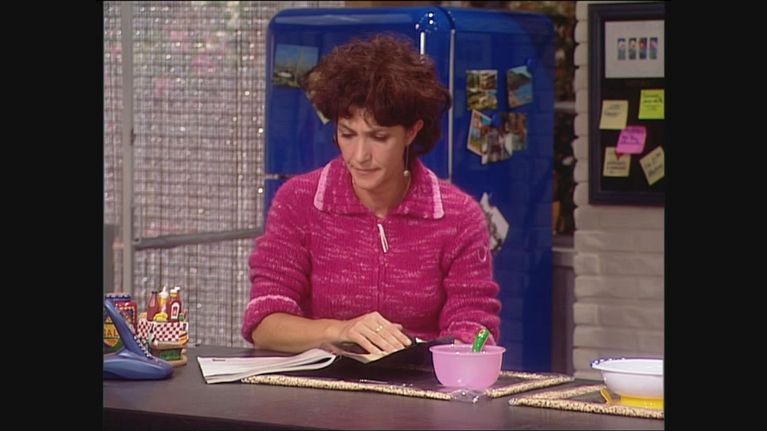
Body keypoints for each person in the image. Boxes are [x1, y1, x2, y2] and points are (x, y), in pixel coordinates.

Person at [241, 34, 501, 356]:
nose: (359, 155)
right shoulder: (298, 201)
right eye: (347, 134)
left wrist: (458, 350)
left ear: (412, 132)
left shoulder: (459, 217)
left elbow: (475, 326)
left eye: (379, 137)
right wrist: (340, 330)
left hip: (421, 385)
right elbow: (264, 322)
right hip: (317, 385)